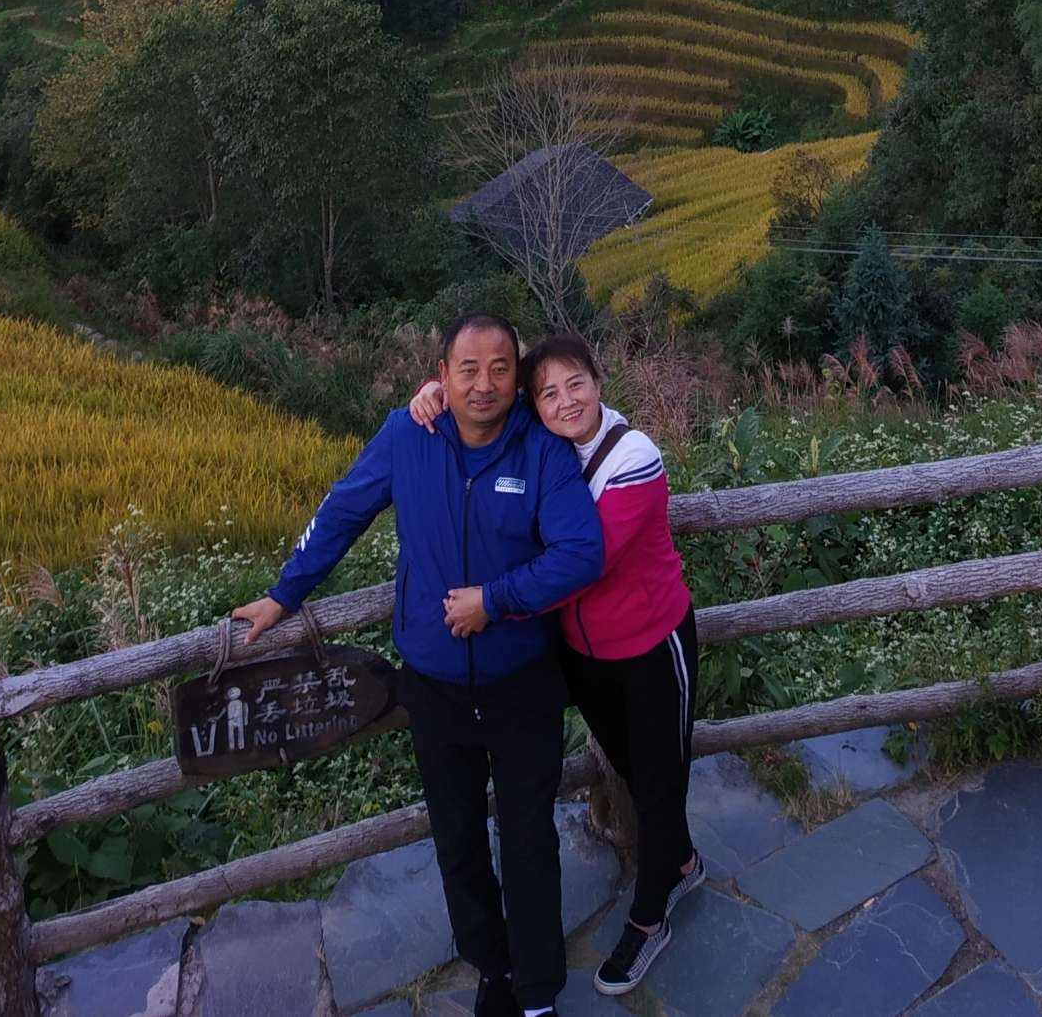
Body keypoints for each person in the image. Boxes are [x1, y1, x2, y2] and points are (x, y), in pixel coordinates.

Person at [233, 314, 602, 1017]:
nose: (485, 382)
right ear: (440, 373)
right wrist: (285, 594)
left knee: (528, 839)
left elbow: (581, 551)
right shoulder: (408, 433)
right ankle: (491, 967)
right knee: (457, 838)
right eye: (468, 367)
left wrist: (495, 600)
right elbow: (344, 509)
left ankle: (538, 991)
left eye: (501, 366)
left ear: (517, 376)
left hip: (523, 680)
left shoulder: (541, 447)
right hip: (432, 685)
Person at [409, 331, 702, 999]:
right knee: (632, 770)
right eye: (547, 391)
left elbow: (582, 560)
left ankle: (651, 914)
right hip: (585, 658)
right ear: (532, 405)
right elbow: (480, 410)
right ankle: (680, 859)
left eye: (576, 383)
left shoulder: (634, 455)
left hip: (653, 648)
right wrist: (433, 399)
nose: (565, 400)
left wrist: (494, 601)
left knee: (658, 781)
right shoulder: (546, 447)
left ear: (600, 382)